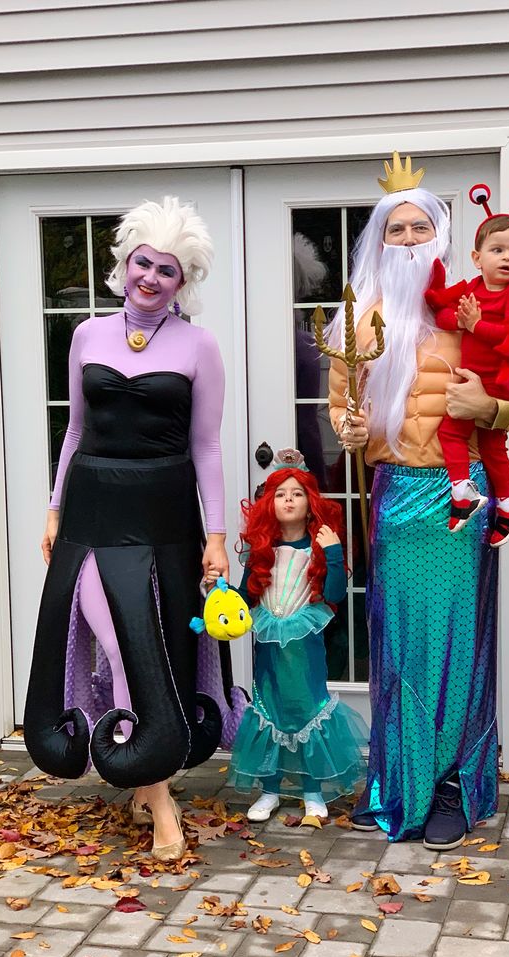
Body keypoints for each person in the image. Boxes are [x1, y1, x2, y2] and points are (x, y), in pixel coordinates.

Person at [326, 153, 509, 849]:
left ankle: (453, 783)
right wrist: (352, 430)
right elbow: (343, 411)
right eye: (396, 229)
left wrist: (489, 404)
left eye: (420, 226)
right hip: (393, 494)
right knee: (399, 644)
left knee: (455, 641)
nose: (408, 239)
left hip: (458, 499)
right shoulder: (358, 320)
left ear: (443, 236)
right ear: (379, 239)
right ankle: (399, 784)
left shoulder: (477, 308)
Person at [25, 197, 229, 862]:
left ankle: (146, 775)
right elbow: (76, 429)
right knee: (117, 643)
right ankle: (160, 797)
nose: (150, 276)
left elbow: (207, 447)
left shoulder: (200, 345)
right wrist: (54, 507)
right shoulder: (86, 335)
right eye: (143, 261)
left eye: (166, 269)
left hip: (164, 515)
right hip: (91, 511)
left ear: (183, 280)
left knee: (157, 644)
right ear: (125, 263)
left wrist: (218, 534)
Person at [227, 449, 368, 821]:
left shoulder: (318, 547)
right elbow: (244, 598)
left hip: (305, 643)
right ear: (269, 504)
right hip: (269, 643)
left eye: (297, 493)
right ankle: (270, 789)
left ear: (310, 504)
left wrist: (334, 554)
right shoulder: (262, 550)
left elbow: (335, 595)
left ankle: (311, 789)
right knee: (269, 708)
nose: (288, 499)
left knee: (307, 710)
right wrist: (219, 597)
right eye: (280, 494)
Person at [424, 185, 509, 546]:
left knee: (451, 431)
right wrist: (459, 320)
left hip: (494, 381)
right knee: (493, 448)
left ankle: (462, 489)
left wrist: (476, 325)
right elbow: (446, 314)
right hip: (480, 376)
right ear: (477, 258)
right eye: (498, 250)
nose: (507, 258)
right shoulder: (472, 289)